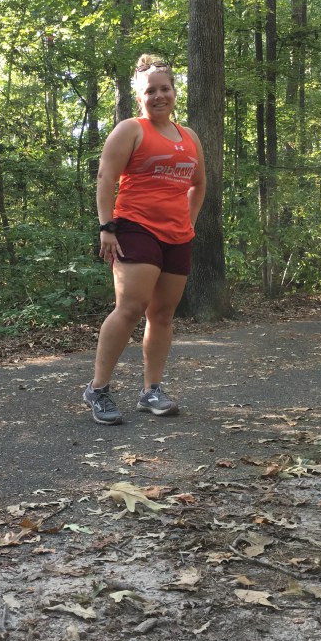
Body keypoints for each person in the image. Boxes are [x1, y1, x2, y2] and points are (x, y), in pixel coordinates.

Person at [83, 54, 206, 425]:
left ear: (174, 92)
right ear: (140, 96)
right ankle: (98, 389)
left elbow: (198, 185)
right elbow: (106, 178)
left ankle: (151, 390)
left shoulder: (190, 137)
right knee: (131, 307)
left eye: (164, 88)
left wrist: (188, 222)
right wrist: (107, 227)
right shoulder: (131, 130)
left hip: (177, 234)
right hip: (135, 227)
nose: (158, 95)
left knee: (163, 314)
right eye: (150, 90)